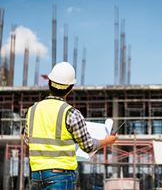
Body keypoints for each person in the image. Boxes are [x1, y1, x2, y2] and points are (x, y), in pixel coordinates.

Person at [24, 62, 117, 190]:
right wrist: (107, 140)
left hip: (36, 174)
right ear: (70, 87)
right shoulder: (71, 113)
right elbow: (88, 146)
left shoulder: (32, 110)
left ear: (49, 82)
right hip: (61, 175)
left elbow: (27, 140)